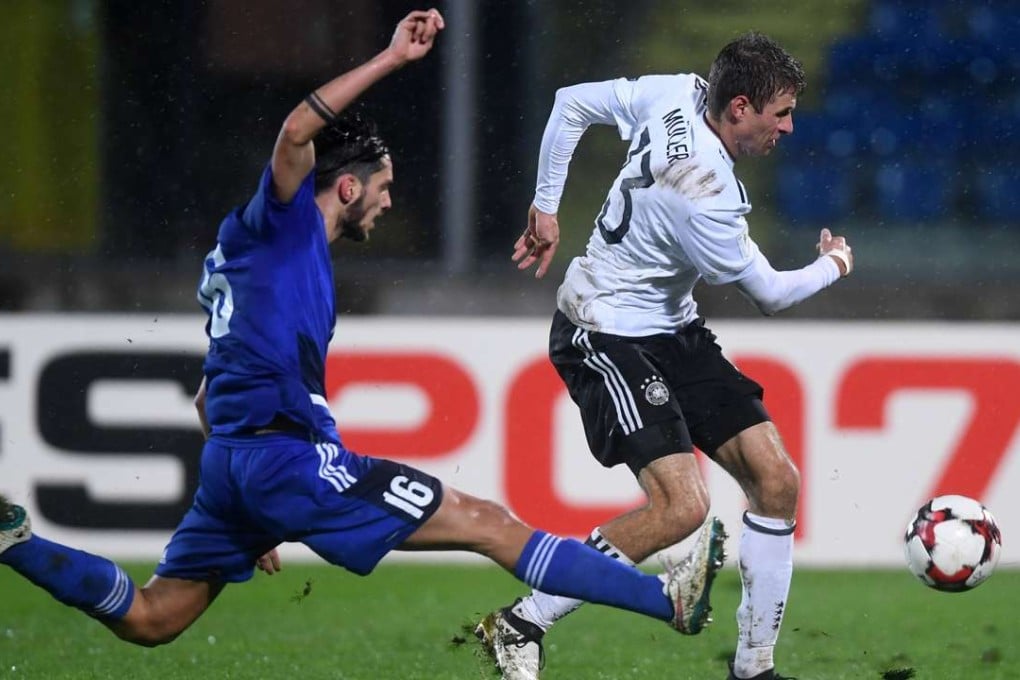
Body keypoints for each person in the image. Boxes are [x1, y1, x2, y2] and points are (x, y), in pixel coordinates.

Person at [0, 9, 722, 662]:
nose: (388, 201)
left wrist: (251, 510)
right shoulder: (280, 223)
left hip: (235, 463)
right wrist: (391, 58)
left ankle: (14, 541)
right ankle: (666, 601)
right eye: (383, 186)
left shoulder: (258, 257)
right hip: (286, 461)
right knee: (490, 524)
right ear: (346, 186)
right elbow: (295, 133)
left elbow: (205, 397)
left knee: (153, 616)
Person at [475, 32, 853, 680]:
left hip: (672, 328)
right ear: (740, 107)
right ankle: (521, 622)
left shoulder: (676, 91)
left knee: (776, 481)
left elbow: (570, 104)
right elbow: (770, 294)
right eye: (781, 113)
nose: (789, 127)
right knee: (682, 508)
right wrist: (834, 264)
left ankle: (754, 668)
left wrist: (546, 205)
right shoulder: (704, 193)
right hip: (604, 331)